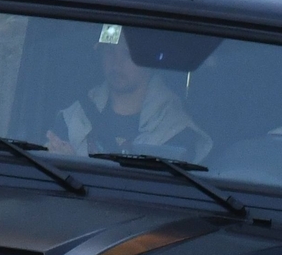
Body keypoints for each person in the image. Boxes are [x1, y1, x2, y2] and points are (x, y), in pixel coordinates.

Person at [45, 25, 210, 162]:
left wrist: (76, 169)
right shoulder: (73, 118)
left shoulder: (177, 132)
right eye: (109, 51)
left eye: (128, 53)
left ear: (149, 60)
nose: (116, 62)